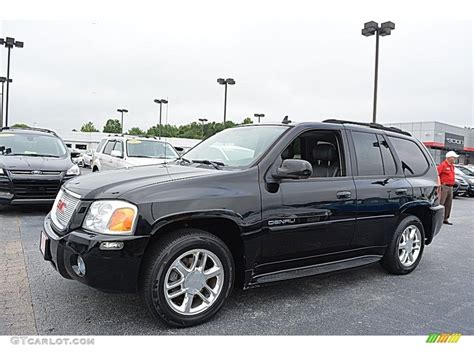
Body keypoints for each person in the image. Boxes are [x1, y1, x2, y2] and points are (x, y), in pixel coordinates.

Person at [437, 151, 459, 225]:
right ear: (449, 158)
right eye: (454, 157)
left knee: (448, 203)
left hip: (450, 187)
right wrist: (439, 185)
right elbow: (437, 175)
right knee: (441, 203)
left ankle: (445, 218)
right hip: (444, 186)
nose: (455, 159)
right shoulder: (443, 165)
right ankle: (438, 218)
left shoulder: (452, 166)